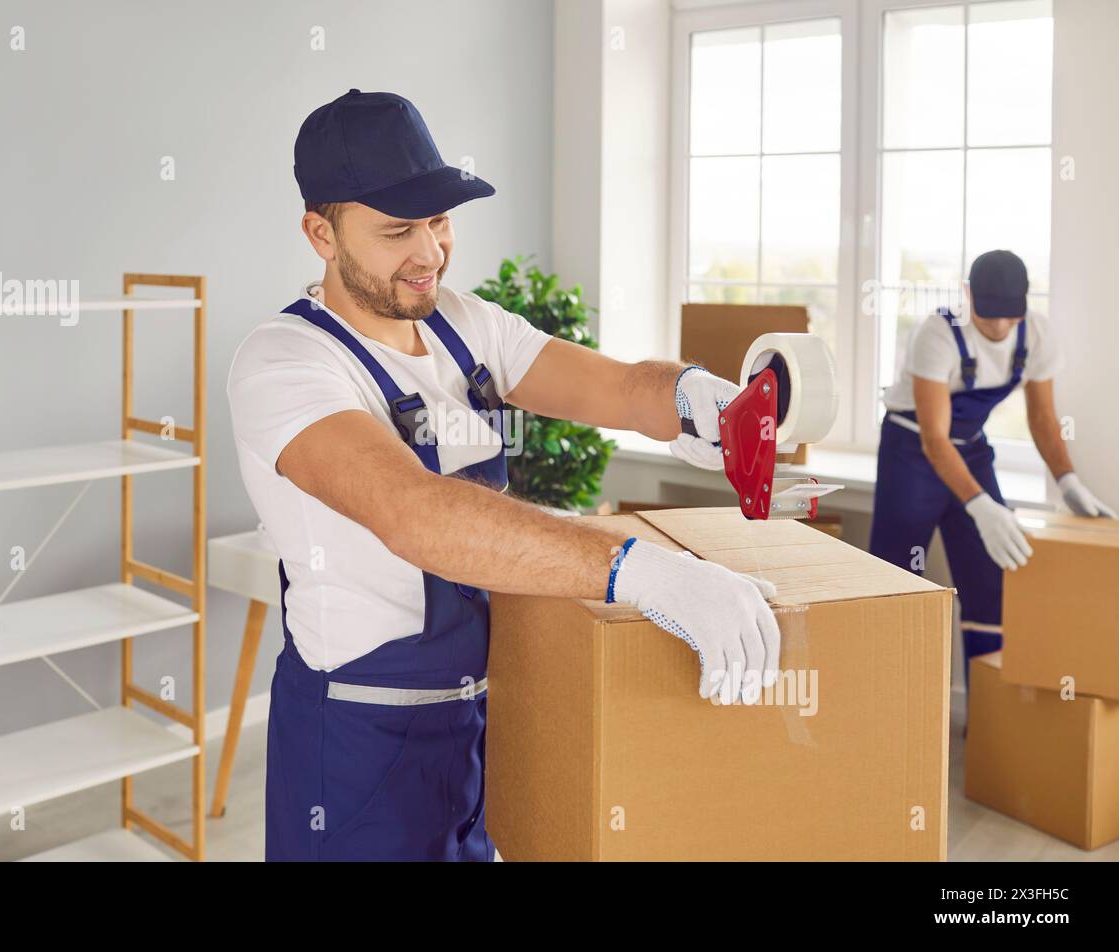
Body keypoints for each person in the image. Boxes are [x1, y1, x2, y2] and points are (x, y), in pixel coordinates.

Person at [227, 89, 780, 862]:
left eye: (440, 222)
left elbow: (617, 386)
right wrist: (647, 574)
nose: (429, 253)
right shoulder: (284, 362)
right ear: (320, 232)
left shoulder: (463, 323)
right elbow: (414, 513)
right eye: (396, 231)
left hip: (481, 721)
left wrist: (695, 400)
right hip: (356, 748)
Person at [870, 249, 1114, 689]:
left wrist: (1068, 480)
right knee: (897, 581)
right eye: (989, 315)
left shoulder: (1036, 334)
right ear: (968, 296)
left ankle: (987, 722)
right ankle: (888, 709)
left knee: (991, 582)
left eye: (1009, 315)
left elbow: (1041, 418)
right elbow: (934, 439)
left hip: (972, 451)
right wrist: (980, 505)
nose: (1000, 327)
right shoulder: (937, 334)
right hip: (913, 453)